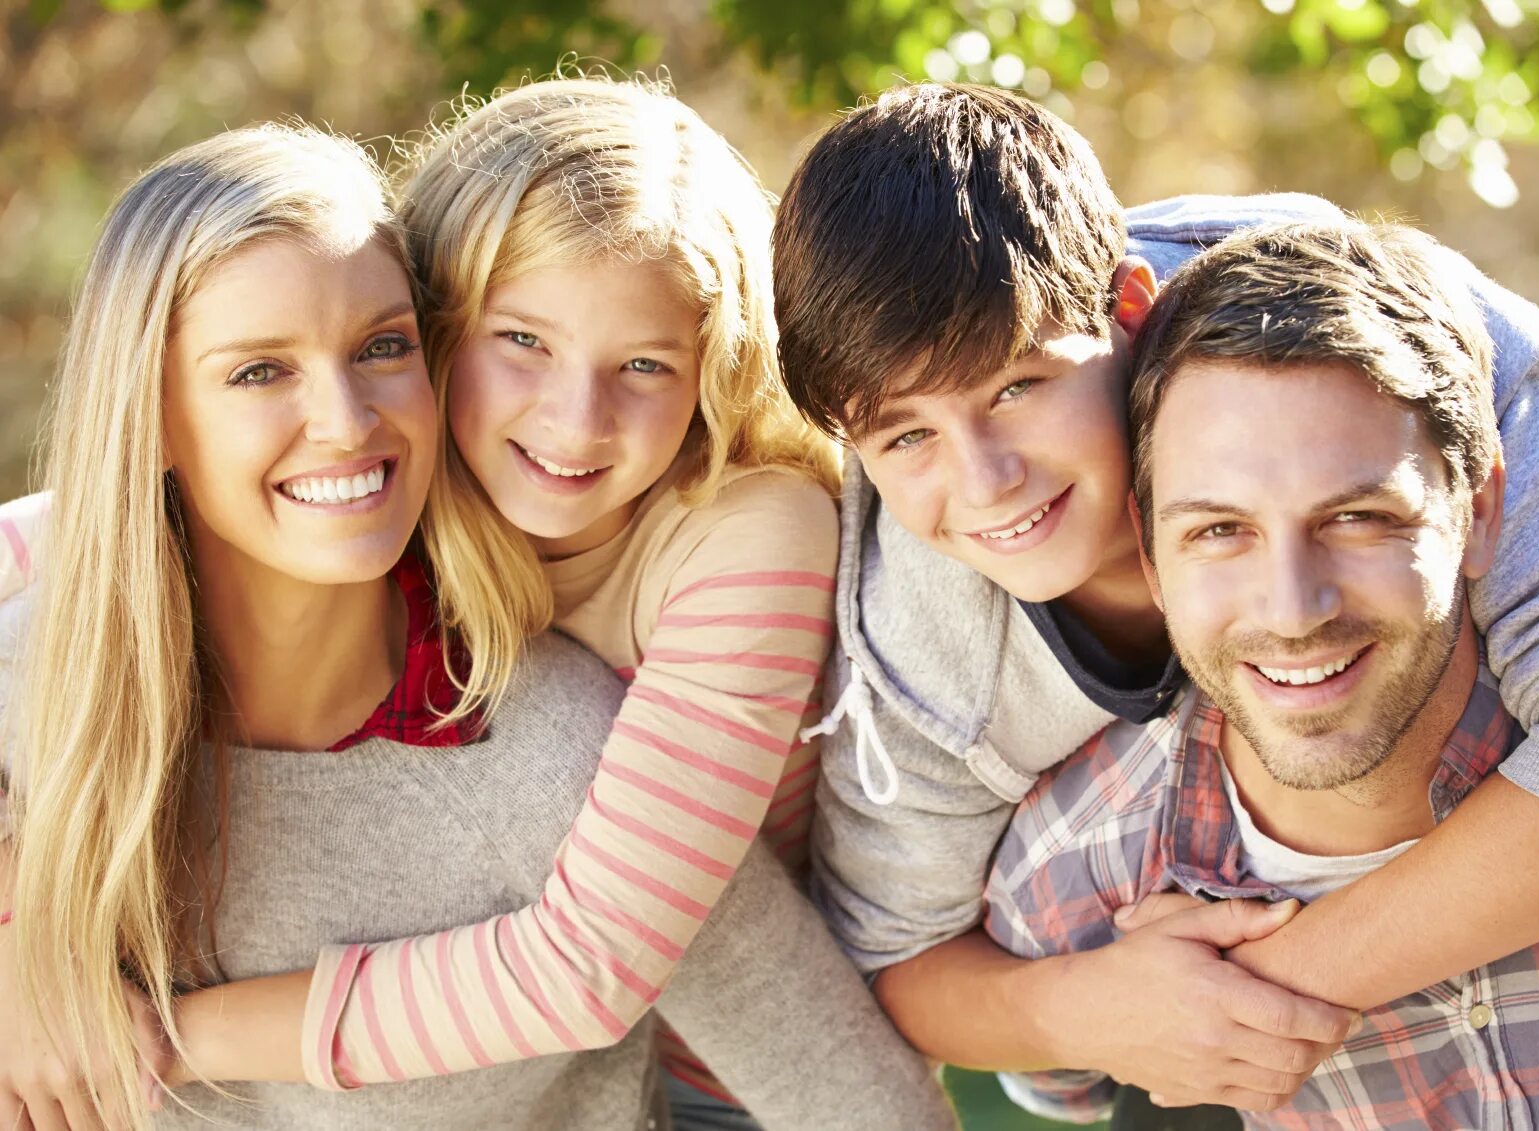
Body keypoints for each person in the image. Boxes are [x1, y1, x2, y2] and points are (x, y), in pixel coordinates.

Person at [0, 120, 952, 1131]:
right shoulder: (40, 679)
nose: (346, 419)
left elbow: (818, 1079)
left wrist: (142, 1038)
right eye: (258, 372)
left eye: (380, 348)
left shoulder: (570, 754)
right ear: (144, 414)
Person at [774, 83, 1539, 1110]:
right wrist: (1087, 1012)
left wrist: (1264, 993)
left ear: (1127, 308)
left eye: (1016, 389)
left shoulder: (1379, 345)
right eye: (906, 436)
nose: (988, 480)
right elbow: (888, 963)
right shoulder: (926, 661)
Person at [985, 218, 1539, 1129]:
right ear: (1152, 556)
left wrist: (1249, 992)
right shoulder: (1076, 870)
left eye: (1357, 518)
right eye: (1218, 530)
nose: (1292, 609)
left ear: (1478, 510)